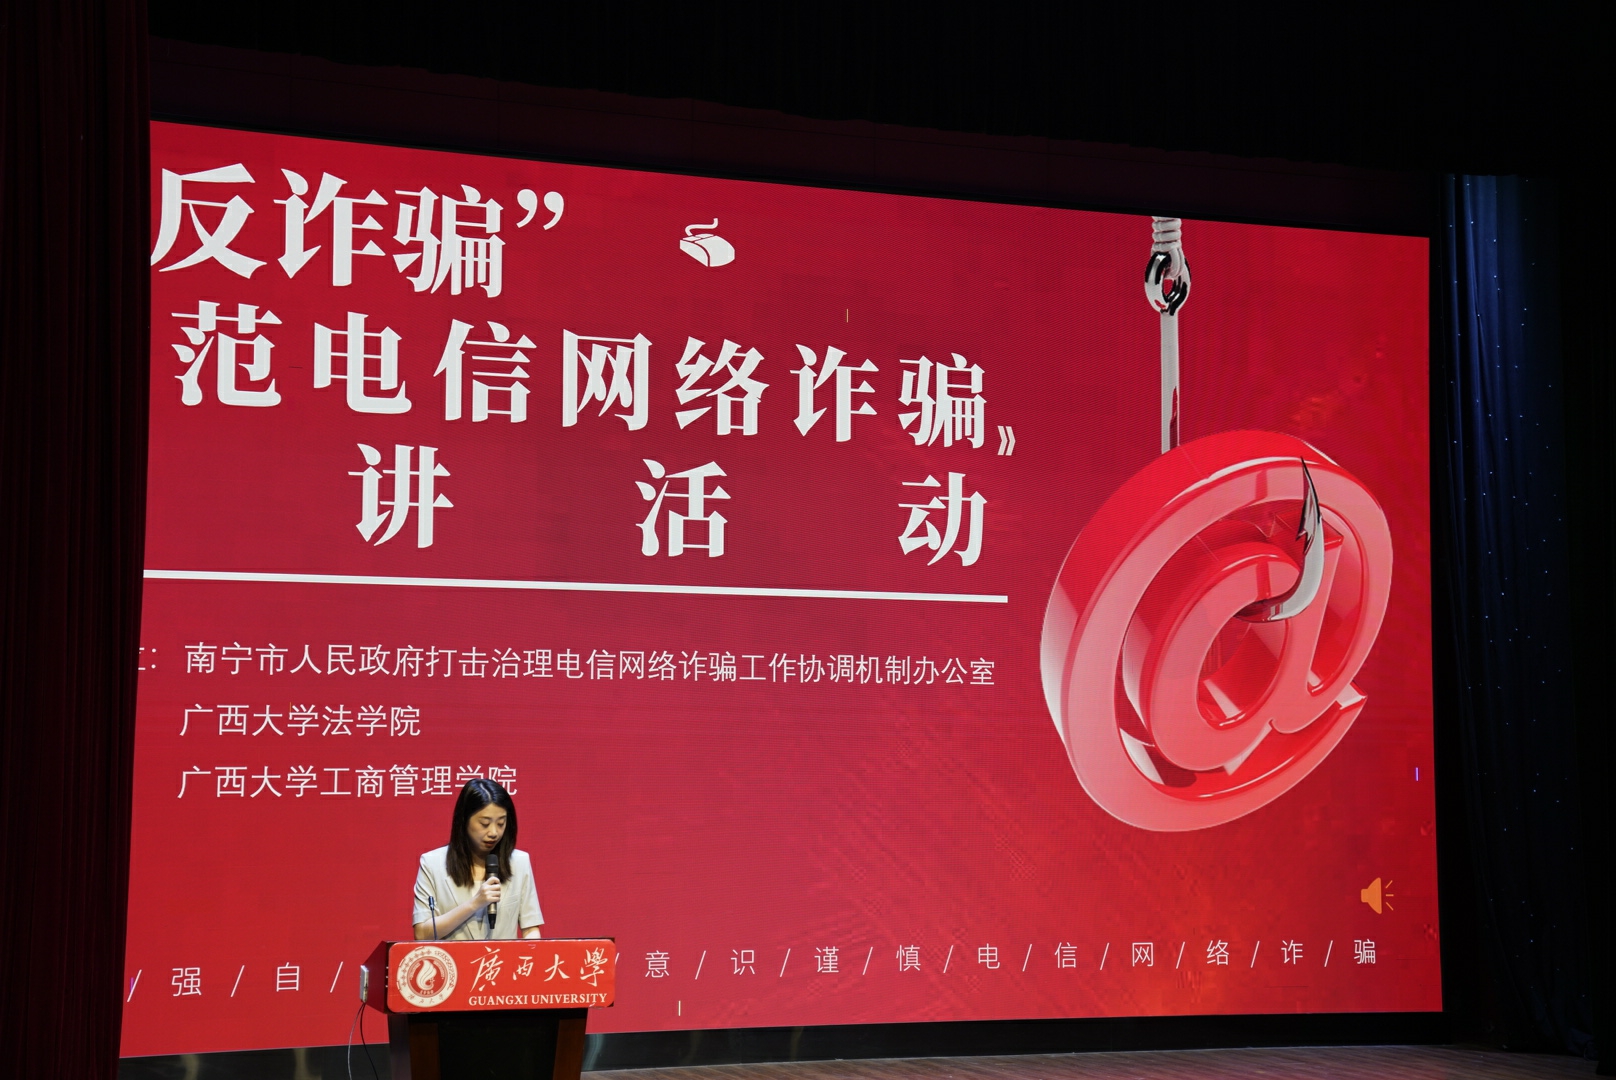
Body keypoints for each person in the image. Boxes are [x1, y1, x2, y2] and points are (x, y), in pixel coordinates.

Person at [413, 778, 543, 940]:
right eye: (484, 823)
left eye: (501, 823)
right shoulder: (432, 864)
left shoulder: (519, 862)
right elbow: (421, 933)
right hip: (452, 957)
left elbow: (531, 929)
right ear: (464, 821)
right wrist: (475, 904)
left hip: (502, 957)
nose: (494, 832)